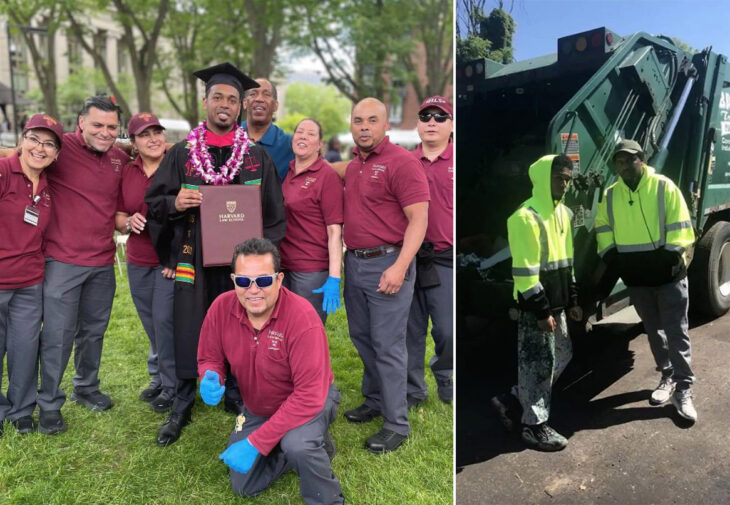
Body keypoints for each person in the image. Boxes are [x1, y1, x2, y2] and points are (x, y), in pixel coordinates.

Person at [146, 62, 286, 446]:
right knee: (190, 327)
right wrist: (176, 201)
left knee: (244, 325)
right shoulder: (182, 154)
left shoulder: (256, 157)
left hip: (241, 266)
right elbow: (154, 203)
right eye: (217, 97)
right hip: (193, 257)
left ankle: (240, 394)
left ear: (241, 107)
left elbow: (275, 215)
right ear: (205, 101)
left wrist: (263, 262)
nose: (225, 104)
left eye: (232, 99)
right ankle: (182, 401)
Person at [198, 238, 344, 505]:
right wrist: (211, 375)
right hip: (258, 407)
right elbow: (209, 356)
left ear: (279, 279)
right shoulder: (220, 307)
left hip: (309, 402)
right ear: (233, 280)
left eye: (263, 281)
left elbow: (309, 396)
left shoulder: (302, 318)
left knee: (297, 444)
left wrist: (256, 443)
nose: (254, 290)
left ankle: (327, 497)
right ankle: (309, 444)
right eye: (244, 281)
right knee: (244, 485)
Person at [341, 97, 429, 453]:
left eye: (372, 120)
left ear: (385, 124)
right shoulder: (353, 166)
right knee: (361, 336)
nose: (364, 126)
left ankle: (396, 424)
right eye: (358, 120)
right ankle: (375, 399)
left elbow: (419, 220)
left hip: (387, 264)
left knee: (388, 345)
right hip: (355, 263)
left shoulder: (402, 163)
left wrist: (400, 265)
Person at [37, 95, 128, 435]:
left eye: (111, 127)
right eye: (98, 126)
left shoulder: (119, 157)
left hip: (102, 262)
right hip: (62, 260)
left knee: (93, 332)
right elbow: (24, 156)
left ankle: (86, 387)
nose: (105, 133)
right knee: (58, 336)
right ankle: (48, 402)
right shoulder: (60, 150)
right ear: (80, 123)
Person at [595, 139, 697, 422]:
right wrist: (612, 256)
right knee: (654, 331)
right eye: (619, 161)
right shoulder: (611, 194)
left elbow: (682, 226)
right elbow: (602, 227)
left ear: (642, 159)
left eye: (630, 159)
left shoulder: (663, 187)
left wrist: (667, 257)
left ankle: (684, 389)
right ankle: (667, 377)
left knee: (677, 331)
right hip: (637, 280)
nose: (625, 165)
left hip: (668, 277)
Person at [491, 154, 582, 452]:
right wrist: (541, 310)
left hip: (556, 305)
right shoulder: (525, 217)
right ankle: (534, 427)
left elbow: (567, 262)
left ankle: (515, 398)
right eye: (559, 178)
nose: (565, 184)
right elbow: (526, 273)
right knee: (540, 365)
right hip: (537, 309)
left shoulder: (563, 214)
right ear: (543, 178)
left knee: (561, 354)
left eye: (568, 179)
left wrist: (573, 300)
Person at [0, 114, 63, 436]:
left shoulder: (50, 187)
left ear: (56, 154)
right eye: (35, 139)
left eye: (49, 143)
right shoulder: (3, 172)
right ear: (22, 140)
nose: (41, 148)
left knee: (25, 349)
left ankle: (21, 410)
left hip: (29, 282)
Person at [114, 113, 177, 413]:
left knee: (165, 323)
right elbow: (117, 214)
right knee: (150, 323)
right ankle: (159, 378)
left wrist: (179, 257)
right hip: (138, 260)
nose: (153, 138)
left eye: (157, 132)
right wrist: (127, 221)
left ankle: (173, 385)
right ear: (134, 142)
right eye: (144, 134)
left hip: (168, 262)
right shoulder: (127, 172)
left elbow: (191, 215)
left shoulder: (178, 166)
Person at [406, 96, 454, 408]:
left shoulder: (458, 161)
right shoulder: (403, 162)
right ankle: (413, 391)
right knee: (410, 330)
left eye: (440, 116)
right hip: (410, 258)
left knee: (447, 330)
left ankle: (445, 375)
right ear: (418, 124)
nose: (432, 122)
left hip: (445, 258)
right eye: (425, 117)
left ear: (451, 125)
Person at [280, 118, 344, 323]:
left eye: (310, 134)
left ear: (320, 144)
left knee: (306, 330)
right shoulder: (287, 172)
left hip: (310, 271)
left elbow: (335, 230)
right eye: (299, 132)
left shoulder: (327, 176)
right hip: (283, 266)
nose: (303, 137)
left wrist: (334, 277)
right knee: (282, 331)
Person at [242, 78, 294, 182]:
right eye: (253, 94)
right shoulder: (230, 136)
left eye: (266, 94)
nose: (259, 99)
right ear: (244, 103)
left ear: (275, 106)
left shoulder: (289, 144)